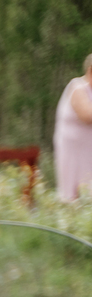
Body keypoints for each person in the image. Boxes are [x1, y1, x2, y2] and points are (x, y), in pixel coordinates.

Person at [55, 54, 92, 200]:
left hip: (89, 150)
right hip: (74, 150)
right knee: (74, 192)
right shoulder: (78, 87)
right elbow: (87, 115)